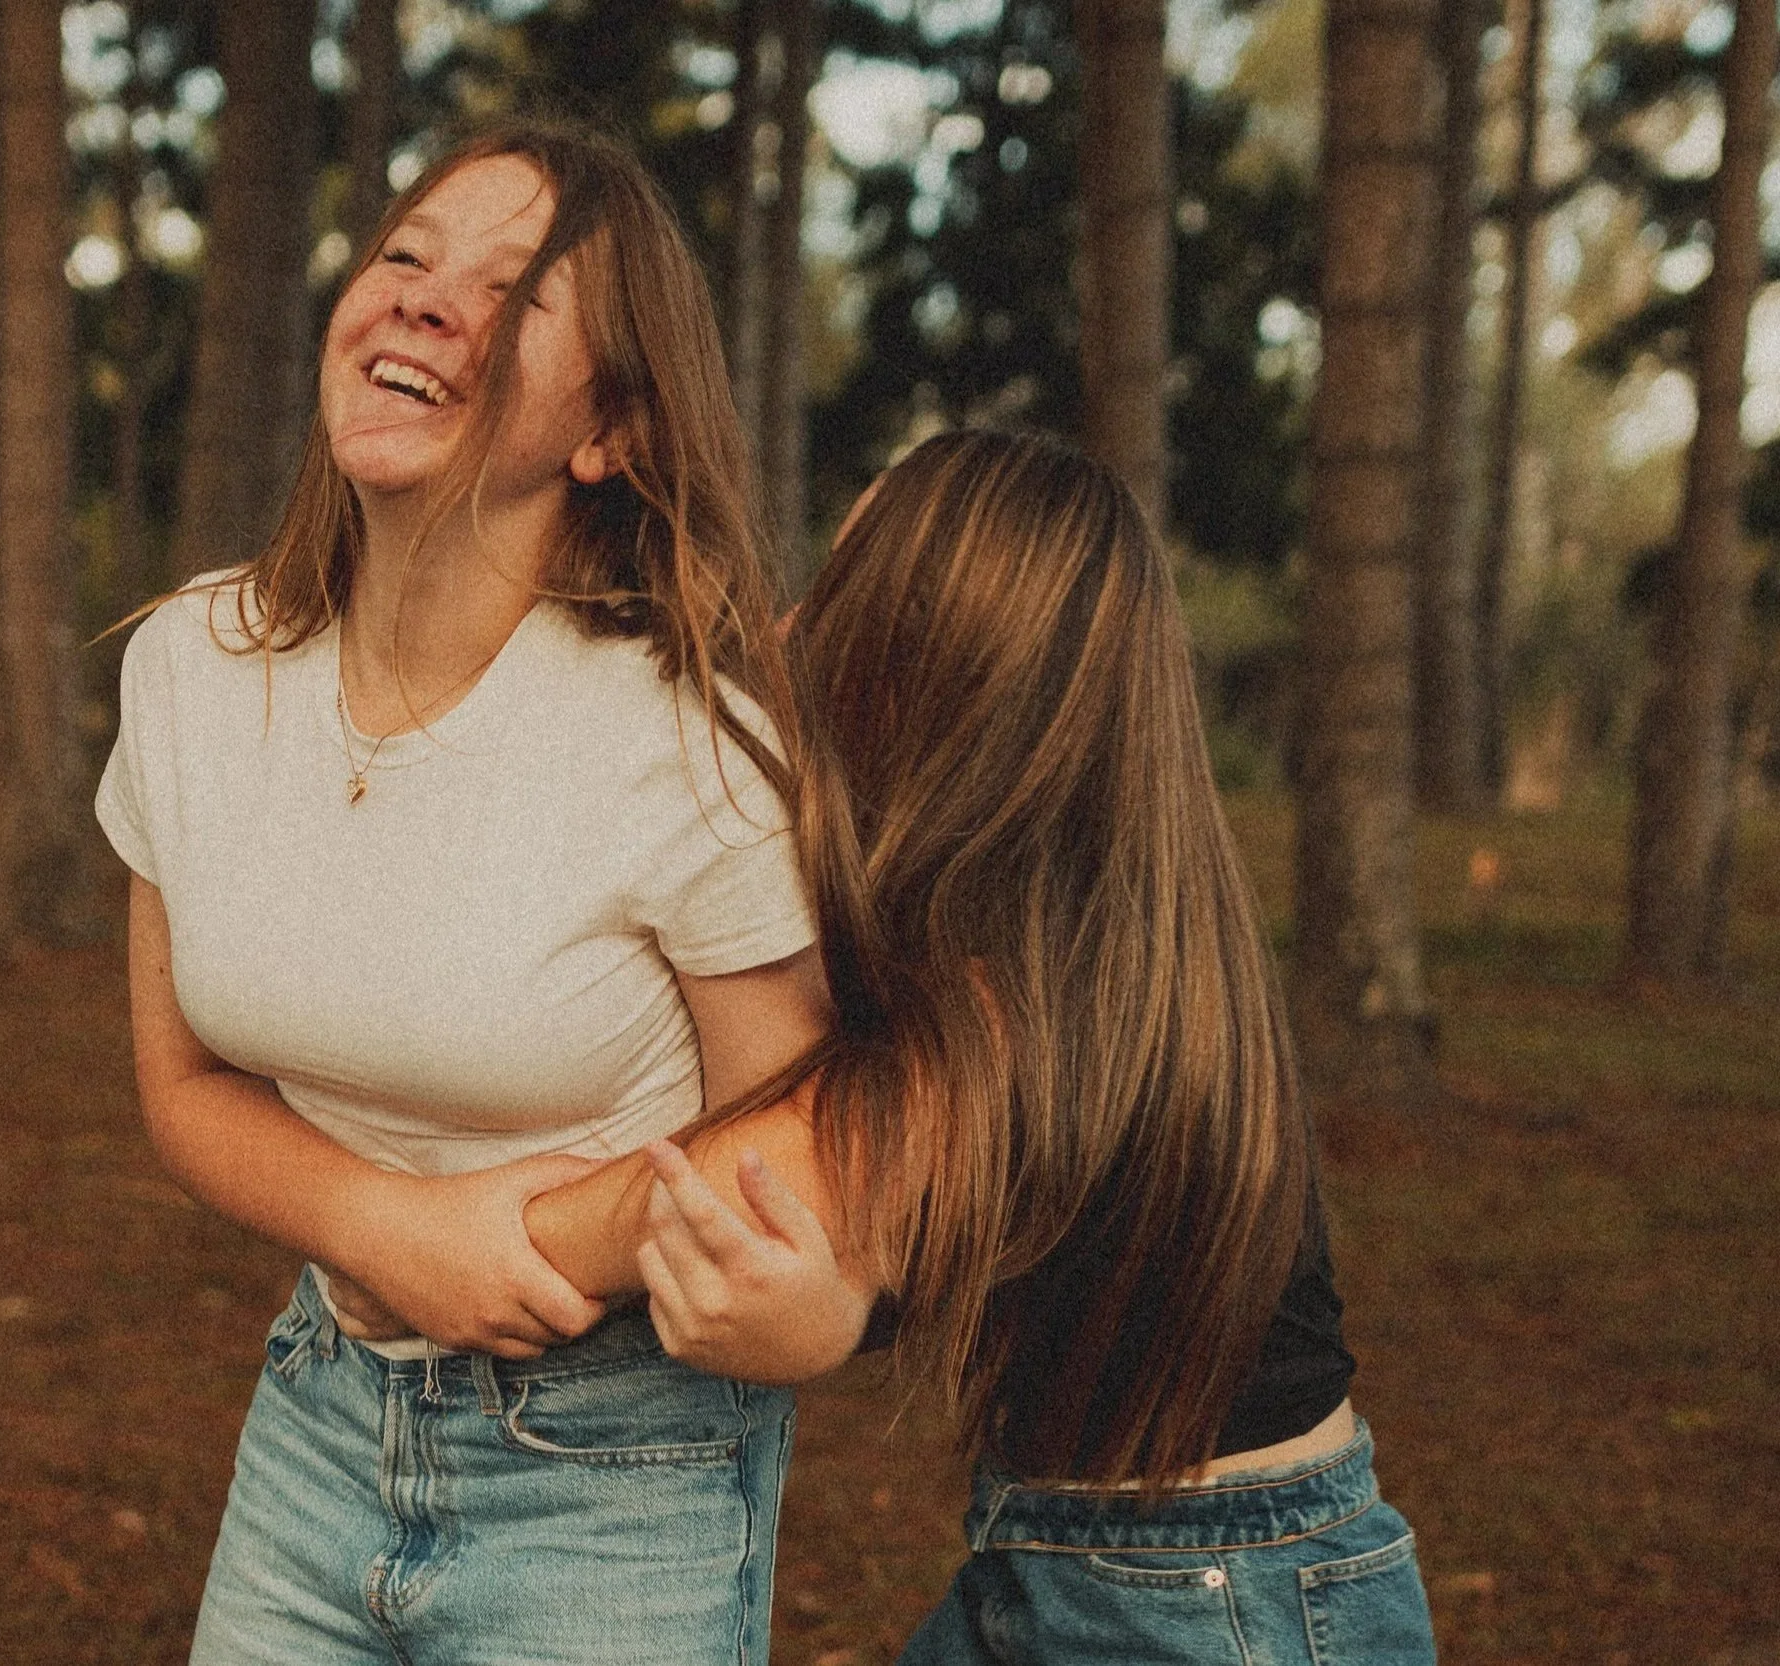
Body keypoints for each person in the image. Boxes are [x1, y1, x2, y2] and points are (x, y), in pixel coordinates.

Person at [96, 117, 835, 1666]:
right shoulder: (192, 665)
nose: (427, 297)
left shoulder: (686, 734)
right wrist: (392, 1225)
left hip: (618, 1470)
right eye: (405, 255)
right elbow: (181, 1079)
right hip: (315, 1414)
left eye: (511, 289)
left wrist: (555, 1233)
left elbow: (795, 1150)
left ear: (613, 429)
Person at [526, 429, 1438, 1664]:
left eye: (838, 596)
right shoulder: (1118, 932)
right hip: (1149, 1558)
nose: (790, 631)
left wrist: (417, 1231)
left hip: (1208, 1601)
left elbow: (721, 1188)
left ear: (923, 669)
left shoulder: (1012, 1000)